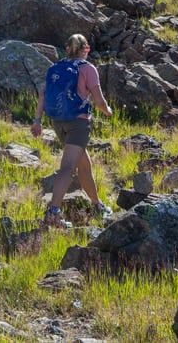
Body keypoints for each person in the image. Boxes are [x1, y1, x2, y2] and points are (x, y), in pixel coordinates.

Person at [31, 33, 114, 228]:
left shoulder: (55, 68)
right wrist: (108, 111)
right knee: (68, 167)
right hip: (78, 123)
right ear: (86, 49)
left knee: (84, 165)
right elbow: (99, 101)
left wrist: (37, 121)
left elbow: (43, 96)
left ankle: (97, 205)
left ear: (67, 49)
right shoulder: (88, 69)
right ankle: (53, 213)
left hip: (58, 122)